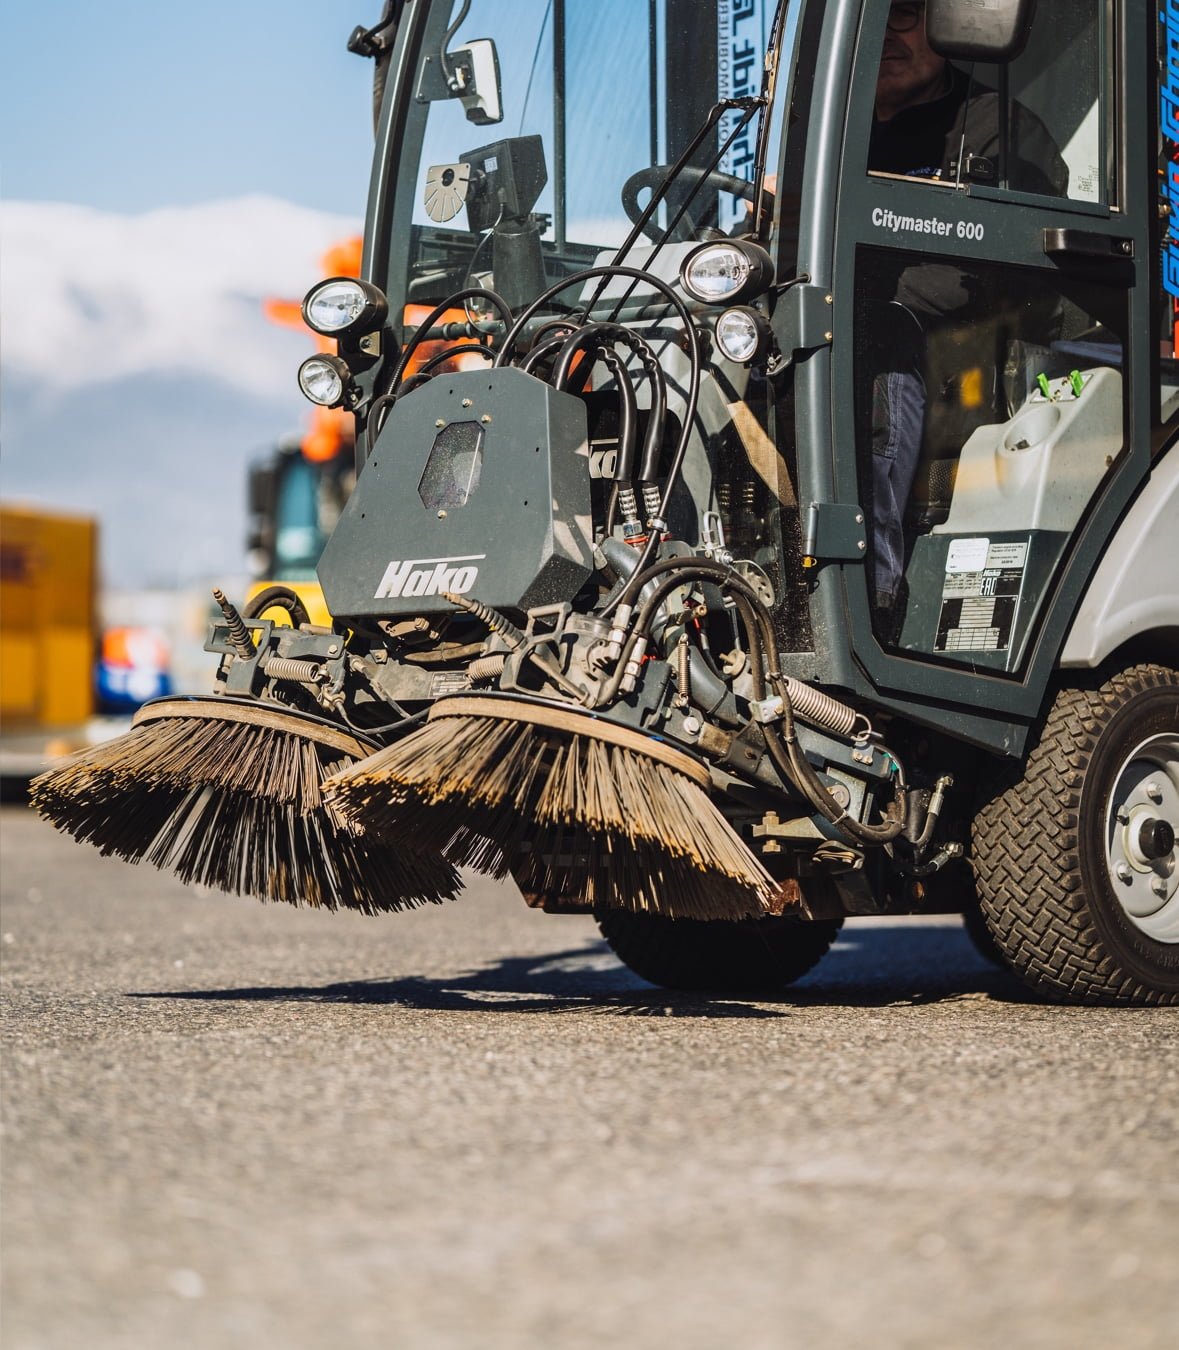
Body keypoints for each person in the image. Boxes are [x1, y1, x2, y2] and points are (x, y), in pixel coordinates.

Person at [863, 1, 1067, 615]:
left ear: (950, 20)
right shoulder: (822, 144)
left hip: (960, 367)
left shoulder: (998, 130)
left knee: (877, 326)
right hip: (842, 344)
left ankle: (871, 594)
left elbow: (989, 282)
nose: (885, 36)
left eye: (900, 12)